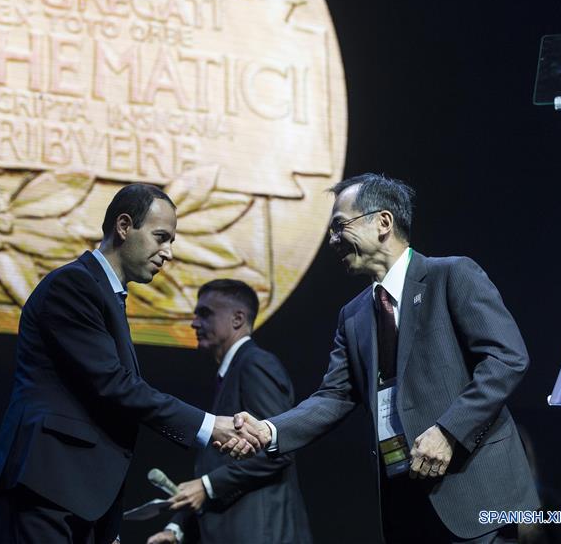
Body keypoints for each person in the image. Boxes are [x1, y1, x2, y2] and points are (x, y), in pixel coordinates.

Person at [226, 173, 540, 543]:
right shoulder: (354, 315)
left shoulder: (451, 275)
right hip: (404, 498)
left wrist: (448, 431)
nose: (331, 240)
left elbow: (506, 358)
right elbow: (335, 396)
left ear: (383, 223)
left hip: (474, 492)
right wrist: (270, 430)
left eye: (339, 226)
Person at [0, 183, 260, 544]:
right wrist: (209, 427)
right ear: (124, 226)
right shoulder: (74, 285)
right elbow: (113, 385)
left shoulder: (105, 294)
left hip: (77, 495)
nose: (168, 253)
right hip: (48, 486)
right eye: (161, 237)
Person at [147, 280, 312, 544]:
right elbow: (219, 467)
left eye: (205, 313)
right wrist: (176, 529)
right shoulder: (232, 372)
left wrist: (207, 486)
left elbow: (279, 449)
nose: (194, 323)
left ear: (238, 319)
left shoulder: (255, 364)